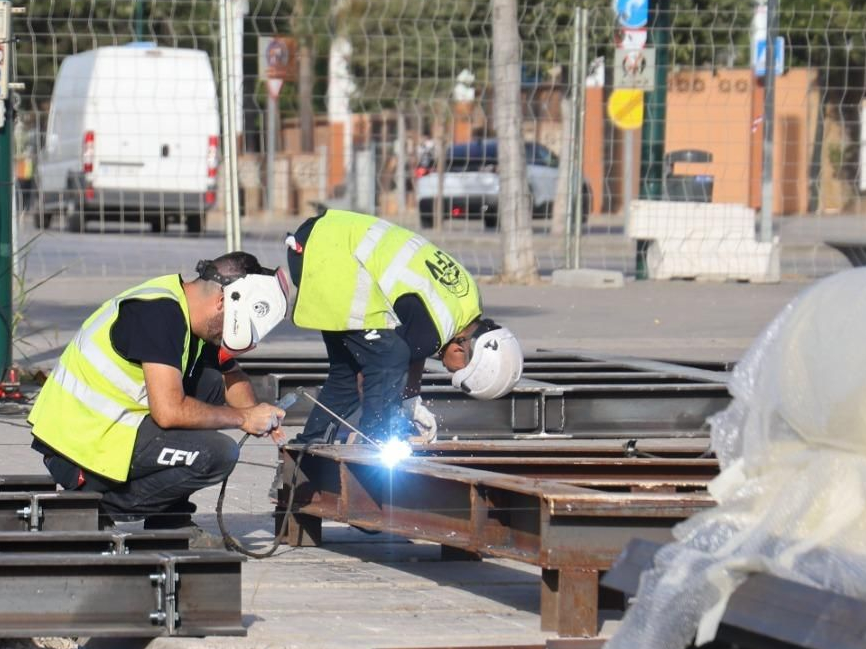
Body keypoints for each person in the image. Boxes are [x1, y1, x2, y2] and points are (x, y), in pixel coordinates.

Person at [28, 252, 292, 529]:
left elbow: (230, 375)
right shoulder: (159, 314)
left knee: (210, 384)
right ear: (224, 301)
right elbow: (168, 412)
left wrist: (254, 412)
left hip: (107, 428)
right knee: (217, 454)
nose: (223, 337)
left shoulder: (189, 312)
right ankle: (94, 509)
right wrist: (242, 418)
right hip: (79, 446)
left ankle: (169, 520)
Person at [284, 209, 524, 447]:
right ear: (462, 351)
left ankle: (311, 440)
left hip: (329, 238)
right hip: (328, 256)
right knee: (385, 357)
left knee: (349, 368)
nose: (449, 370)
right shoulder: (437, 327)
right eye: (457, 372)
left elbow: (413, 349)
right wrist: (391, 431)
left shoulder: (467, 304)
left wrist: (410, 401)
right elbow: (377, 369)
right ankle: (375, 444)